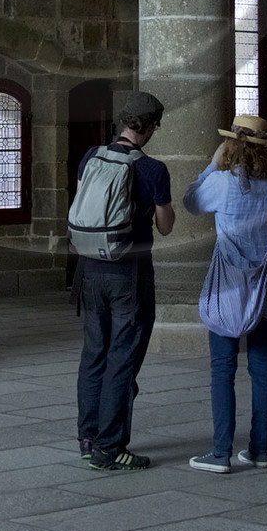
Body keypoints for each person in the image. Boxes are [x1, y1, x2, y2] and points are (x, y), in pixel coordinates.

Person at [72, 91, 174, 472]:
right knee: (122, 359)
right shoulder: (152, 169)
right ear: (146, 128)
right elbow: (165, 227)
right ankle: (111, 447)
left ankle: (88, 438)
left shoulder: (91, 157)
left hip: (89, 271)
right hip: (129, 276)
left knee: (93, 355)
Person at [185, 112, 267, 472]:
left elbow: (191, 201)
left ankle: (221, 453)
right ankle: (259, 450)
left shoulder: (224, 182)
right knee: (261, 365)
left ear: (232, 144)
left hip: (230, 285)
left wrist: (211, 166)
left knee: (222, 368)